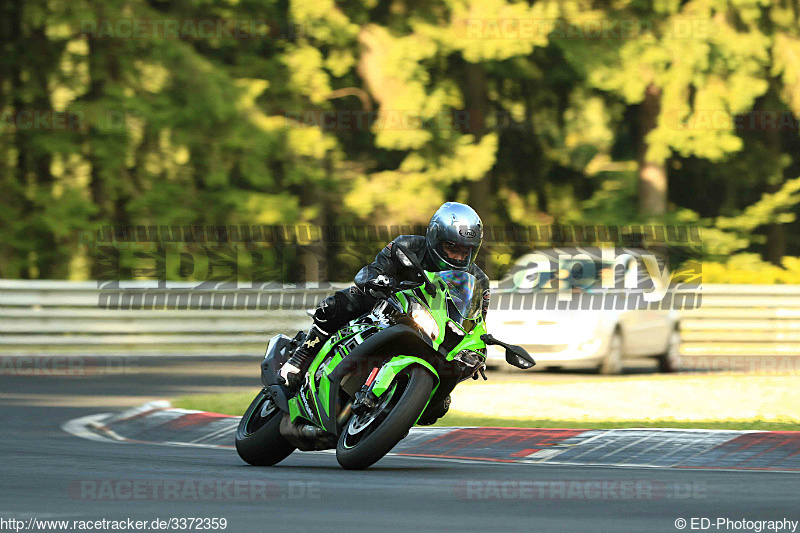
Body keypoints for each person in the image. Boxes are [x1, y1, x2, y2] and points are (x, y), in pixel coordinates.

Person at [279, 202, 489, 423]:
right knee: (342, 301)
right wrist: (379, 279)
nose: (458, 256)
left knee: (439, 405)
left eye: (466, 250)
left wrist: (478, 350)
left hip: (433, 328)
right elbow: (370, 272)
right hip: (390, 307)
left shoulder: (479, 280)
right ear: (435, 238)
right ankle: (300, 357)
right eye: (452, 248)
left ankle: (394, 409)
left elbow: (477, 320)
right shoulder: (406, 245)